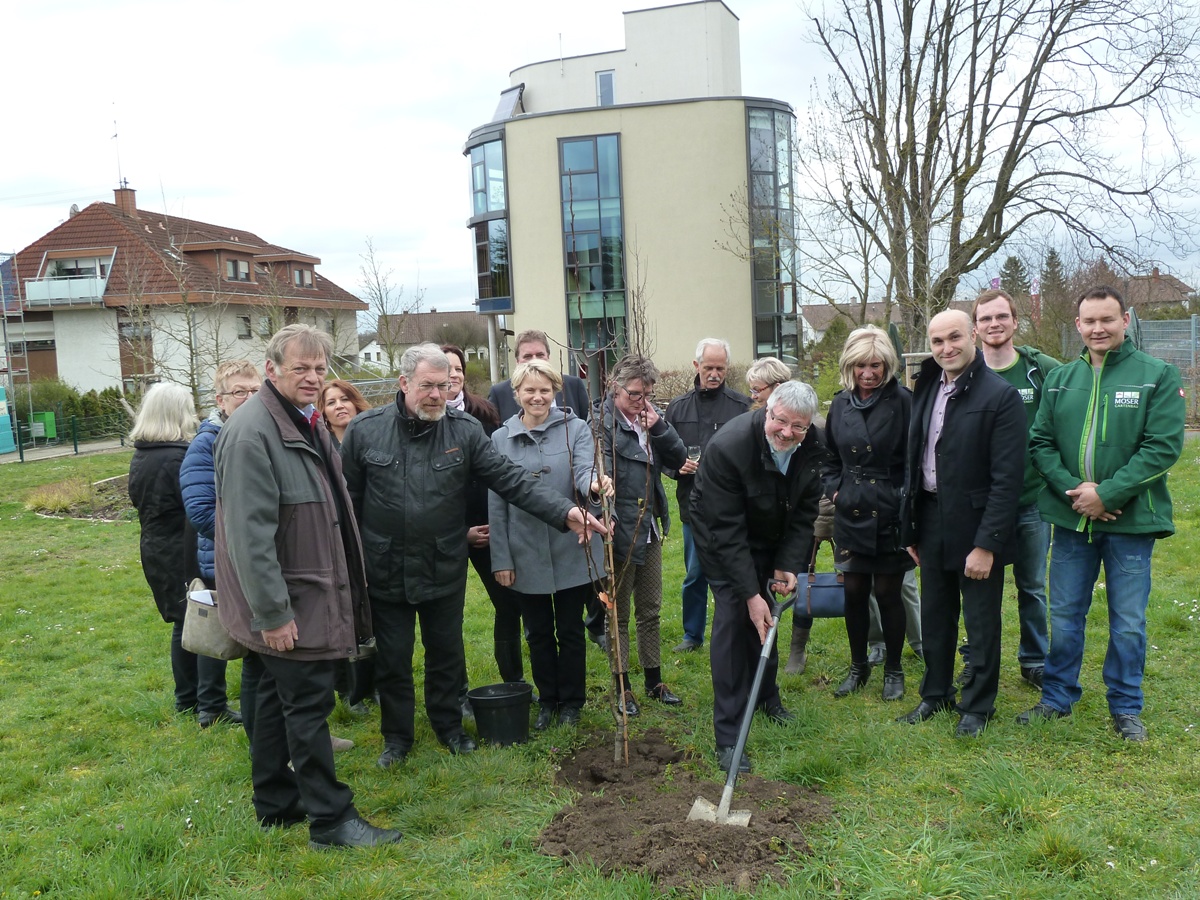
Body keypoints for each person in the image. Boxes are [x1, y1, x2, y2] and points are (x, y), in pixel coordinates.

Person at [340, 343, 605, 768]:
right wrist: (350, 567)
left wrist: (565, 511)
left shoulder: (464, 431)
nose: (435, 395)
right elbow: (346, 503)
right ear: (404, 383)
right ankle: (397, 738)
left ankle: (449, 727)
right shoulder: (365, 431)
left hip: (443, 562)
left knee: (446, 654)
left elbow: (511, 480)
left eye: (443, 386)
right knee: (394, 658)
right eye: (426, 386)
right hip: (384, 565)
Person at [214, 324, 397, 849]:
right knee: (308, 707)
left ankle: (276, 802)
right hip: (293, 601)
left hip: (306, 590)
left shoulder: (301, 420)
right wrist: (272, 614)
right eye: (301, 368)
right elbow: (249, 539)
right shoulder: (253, 433)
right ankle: (331, 820)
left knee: (272, 700)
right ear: (272, 370)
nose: (314, 378)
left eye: (320, 368)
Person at [1018, 285, 1184, 742]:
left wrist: (1108, 494)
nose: (1098, 328)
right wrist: (1078, 493)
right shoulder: (1060, 379)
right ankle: (1057, 698)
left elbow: (1163, 448)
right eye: (1089, 321)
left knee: (1128, 622)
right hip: (1072, 520)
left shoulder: (1157, 375)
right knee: (1066, 615)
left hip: (1132, 523)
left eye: (1107, 319)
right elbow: (1040, 443)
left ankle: (1126, 707)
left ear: (1124, 321)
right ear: (1077, 325)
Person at [897, 310, 1025, 737]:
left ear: (972, 335)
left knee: (981, 618)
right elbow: (913, 460)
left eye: (954, 337)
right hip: (931, 517)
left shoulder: (1000, 395)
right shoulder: (926, 385)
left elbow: (1008, 480)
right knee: (936, 613)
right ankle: (935, 693)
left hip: (976, 522)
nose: (946, 348)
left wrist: (986, 544)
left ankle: (978, 705)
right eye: (937, 341)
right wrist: (910, 528)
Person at [690, 381, 824, 772]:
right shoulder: (729, 447)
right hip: (721, 535)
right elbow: (727, 533)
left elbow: (804, 514)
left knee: (770, 615)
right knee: (736, 618)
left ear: (808, 425)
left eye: (798, 427)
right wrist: (750, 594)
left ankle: (767, 698)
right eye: (781, 422)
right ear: (768, 411)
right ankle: (729, 735)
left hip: (774, 530)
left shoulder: (815, 445)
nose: (787, 433)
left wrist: (788, 565)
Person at [490, 359, 606, 728]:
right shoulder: (499, 439)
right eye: (530, 390)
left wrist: (595, 486)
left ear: (555, 392)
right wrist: (501, 559)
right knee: (537, 632)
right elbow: (497, 503)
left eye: (545, 390)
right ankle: (548, 700)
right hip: (525, 551)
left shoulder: (577, 430)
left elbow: (587, 468)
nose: (537, 397)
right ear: (516, 394)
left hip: (572, 545)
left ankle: (572, 702)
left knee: (570, 629)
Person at [958, 288, 1060, 689]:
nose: (994, 324)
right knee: (977, 587)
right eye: (985, 319)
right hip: (979, 506)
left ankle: (1034, 659)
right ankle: (976, 657)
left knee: (1032, 586)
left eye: (1002, 316)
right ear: (975, 328)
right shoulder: (964, 371)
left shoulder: (1041, 370)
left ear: (1016, 322)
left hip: (1031, 501)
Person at [129, 382, 240, 726]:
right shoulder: (179, 455)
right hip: (181, 548)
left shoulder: (142, 455)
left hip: (155, 546)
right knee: (203, 618)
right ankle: (209, 703)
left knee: (184, 622)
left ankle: (189, 700)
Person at [823, 326, 914, 702]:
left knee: (889, 592)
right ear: (850, 365)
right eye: (860, 365)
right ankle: (858, 666)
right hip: (851, 507)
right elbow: (828, 457)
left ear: (887, 365)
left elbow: (915, 457)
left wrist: (903, 499)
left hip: (891, 508)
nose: (868, 373)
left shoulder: (904, 401)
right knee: (855, 591)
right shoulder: (840, 404)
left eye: (875, 365)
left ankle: (894, 668)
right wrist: (836, 490)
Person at [598, 354, 689, 715]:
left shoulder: (648, 418)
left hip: (649, 524)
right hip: (620, 526)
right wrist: (609, 522)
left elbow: (679, 459)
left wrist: (659, 428)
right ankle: (622, 687)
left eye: (647, 394)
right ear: (615, 387)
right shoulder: (601, 423)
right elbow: (600, 475)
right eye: (635, 394)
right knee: (617, 612)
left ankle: (654, 681)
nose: (641, 402)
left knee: (650, 608)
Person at [179, 361, 259, 733]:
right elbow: (199, 509)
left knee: (250, 638)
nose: (248, 398)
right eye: (239, 392)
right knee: (218, 633)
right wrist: (241, 546)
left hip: (252, 557)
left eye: (255, 391)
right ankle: (211, 706)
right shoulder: (207, 442)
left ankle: (237, 709)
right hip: (222, 559)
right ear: (220, 399)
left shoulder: (260, 432)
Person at [441, 344, 522, 701]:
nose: (453, 375)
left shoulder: (487, 414)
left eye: (458, 368)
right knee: (448, 617)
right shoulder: (422, 420)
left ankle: (514, 682)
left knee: (508, 606)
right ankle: (458, 695)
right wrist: (461, 533)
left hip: (489, 528)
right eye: (446, 369)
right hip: (447, 533)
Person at [664, 338, 750, 652]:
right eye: (709, 367)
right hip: (693, 505)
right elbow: (662, 452)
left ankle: (738, 628)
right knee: (695, 573)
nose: (714, 374)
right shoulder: (677, 407)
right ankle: (692, 634)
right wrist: (677, 469)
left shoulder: (742, 406)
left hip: (733, 506)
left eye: (720, 368)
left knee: (737, 571)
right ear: (696, 366)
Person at [317, 378, 375, 721]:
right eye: (330, 401)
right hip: (336, 543)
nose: (339, 405)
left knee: (374, 616)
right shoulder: (322, 447)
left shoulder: (373, 439)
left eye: (345, 399)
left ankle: (376, 684)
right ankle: (350, 691)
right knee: (344, 616)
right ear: (323, 412)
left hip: (373, 538)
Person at [486, 329, 591, 422]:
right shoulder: (499, 394)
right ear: (517, 361)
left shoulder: (573, 385)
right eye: (527, 356)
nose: (534, 360)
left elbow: (587, 427)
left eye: (540, 355)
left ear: (548, 357)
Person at [320, 379, 370, 447]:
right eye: (331, 403)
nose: (339, 406)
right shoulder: (319, 448)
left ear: (356, 406)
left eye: (345, 399)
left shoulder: (376, 438)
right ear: (324, 414)